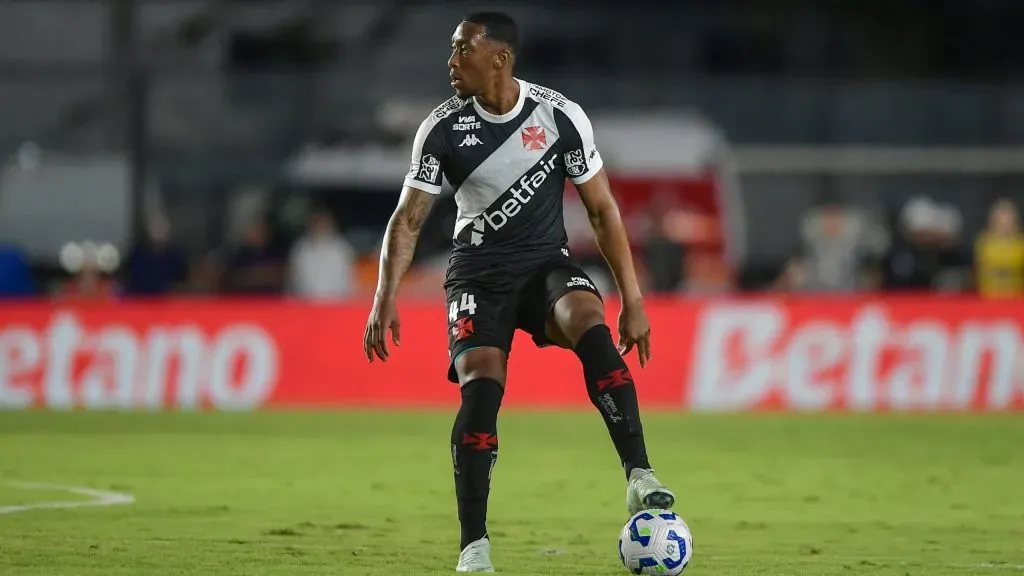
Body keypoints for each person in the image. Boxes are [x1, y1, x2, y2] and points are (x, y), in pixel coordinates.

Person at [362, 11, 675, 573]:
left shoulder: (560, 117)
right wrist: (385, 296)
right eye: (453, 49)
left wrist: (634, 298)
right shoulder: (442, 128)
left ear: (499, 59)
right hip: (478, 278)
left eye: (463, 50)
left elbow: (602, 210)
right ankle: (473, 547)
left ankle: (639, 474)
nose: (452, 61)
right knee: (482, 389)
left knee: (589, 320)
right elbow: (407, 220)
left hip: (544, 266)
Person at [975, 197, 1024, 298]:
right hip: (989, 298)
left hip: (1017, 298)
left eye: (1008, 217)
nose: (1004, 222)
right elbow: (978, 269)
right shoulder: (984, 242)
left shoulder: (1021, 243)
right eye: (1001, 217)